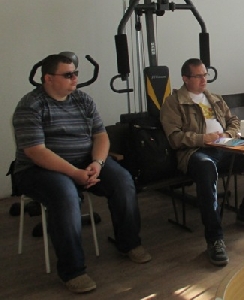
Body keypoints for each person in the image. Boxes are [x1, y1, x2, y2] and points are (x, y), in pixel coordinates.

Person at [12, 54, 151, 294]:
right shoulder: (30, 105)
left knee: (123, 181)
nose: (75, 78)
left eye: (75, 73)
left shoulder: (83, 100)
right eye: (68, 75)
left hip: (84, 162)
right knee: (65, 195)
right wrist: (74, 173)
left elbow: (101, 136)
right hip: (38, 170)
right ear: (48, 78)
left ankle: (129, 243)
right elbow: (36, 152)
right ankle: (72, 271)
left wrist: (97, 162)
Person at [160, 58, 244, 267]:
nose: (203, 79)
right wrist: (203, 139)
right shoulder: (173, 103)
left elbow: (233, 121)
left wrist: (227, 134)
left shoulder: (213, 97)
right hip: (196, 152)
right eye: (198, 76)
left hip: (226, 147)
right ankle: (214, 238)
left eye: (205, 75)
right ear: (185, 78)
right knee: (206, 168)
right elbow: (175, 138)